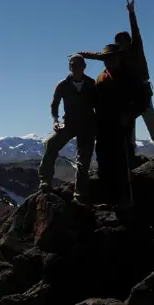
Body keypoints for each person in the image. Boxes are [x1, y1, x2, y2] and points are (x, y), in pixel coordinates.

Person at [79, 0, 154, 154]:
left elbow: (135, 31)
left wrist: (131, 13)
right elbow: (99, 55)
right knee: (129, 120)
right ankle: (131, 150)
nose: (121, 43)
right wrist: (81, 54)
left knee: (149, 117)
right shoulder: (118, 55)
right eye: (118, 42)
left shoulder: (137, 48)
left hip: (142, 88)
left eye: (123, 40)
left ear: (129, 40)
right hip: (128, 89)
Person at [93, 44, 151, 207]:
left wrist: (129, 114)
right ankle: (108, 196)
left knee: (122, 160)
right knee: (104, 159)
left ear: (119, 58)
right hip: (103, 125)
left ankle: (124, 197)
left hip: (122, 124)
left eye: (111, 57)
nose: (108, 61)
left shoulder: (129, 76)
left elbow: (143, 100)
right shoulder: (100, 78)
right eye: (105, 58)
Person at [38, 54, 95, 202]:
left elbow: (99, 105)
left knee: (83, 160)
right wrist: (55, 120)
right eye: (71, 65)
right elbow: (54, 104)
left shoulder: (91, 84)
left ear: (83, 67)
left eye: (76, 65)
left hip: (87, 126)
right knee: (50, 144)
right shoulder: (62, 85)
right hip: (69, 124)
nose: (73, 67)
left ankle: (79, 194)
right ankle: (45, 180)